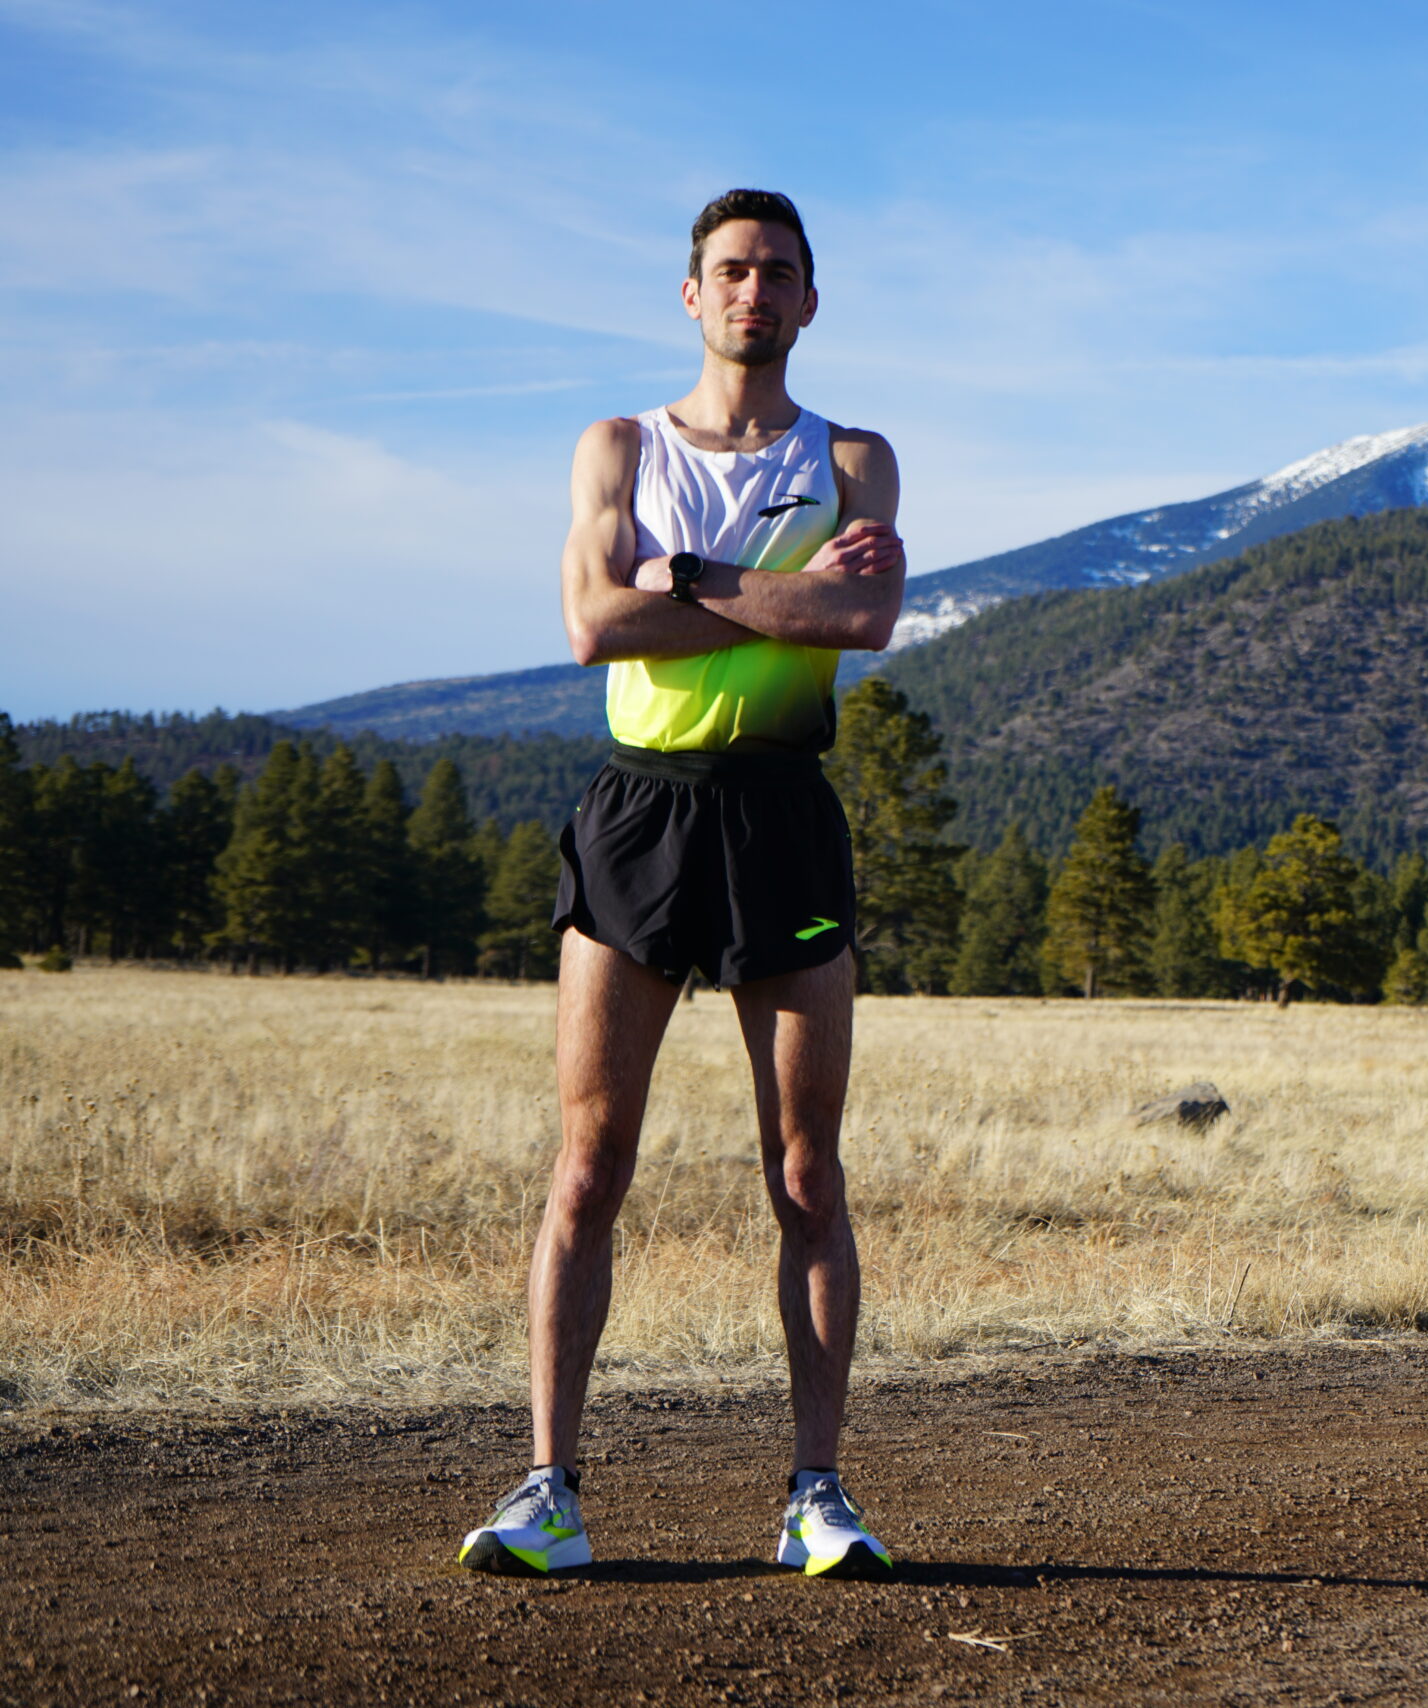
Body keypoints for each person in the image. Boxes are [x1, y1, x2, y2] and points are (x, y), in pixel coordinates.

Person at [458, 188, 906, 1580]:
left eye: (778, 272)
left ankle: (817, 1498)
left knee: (805, 1171)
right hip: (642, 816)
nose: (753, 291)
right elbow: (595, 624)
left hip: (783, 812)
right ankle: (549, 1493)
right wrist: (780, 593)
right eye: (729, 270)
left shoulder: (853, 454)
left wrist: (694, 576)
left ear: (809, 300)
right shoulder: (618, 444)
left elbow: (866, 618)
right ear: (691, 296)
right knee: (589, 1165)